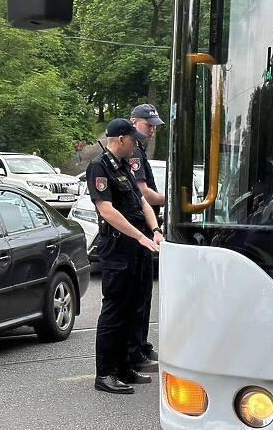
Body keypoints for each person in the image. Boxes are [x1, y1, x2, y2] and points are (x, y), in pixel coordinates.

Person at [86, 118, 163, 395]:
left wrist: (154, 230)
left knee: (132, 307)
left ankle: (124, 366)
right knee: (115, 310)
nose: (136, 145)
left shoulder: (123, 166)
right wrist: (139, 236)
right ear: (121, 139)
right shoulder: (99, 166)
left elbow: (142, 202)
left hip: (136, 247)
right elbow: (106, 210)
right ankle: (105, 373)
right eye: (133, 140)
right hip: (118, 247)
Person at [127, 104, 167, 373]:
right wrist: (173, 198)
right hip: (138, 230)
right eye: (147, 124)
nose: (152, 130)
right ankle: (135, 349)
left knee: (144, 292)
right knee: (138, 294)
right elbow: (145, 194)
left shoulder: (139, 151)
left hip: (146, 228)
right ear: (133, 122)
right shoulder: (134, 155)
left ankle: (141, 344)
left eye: (154, 125)